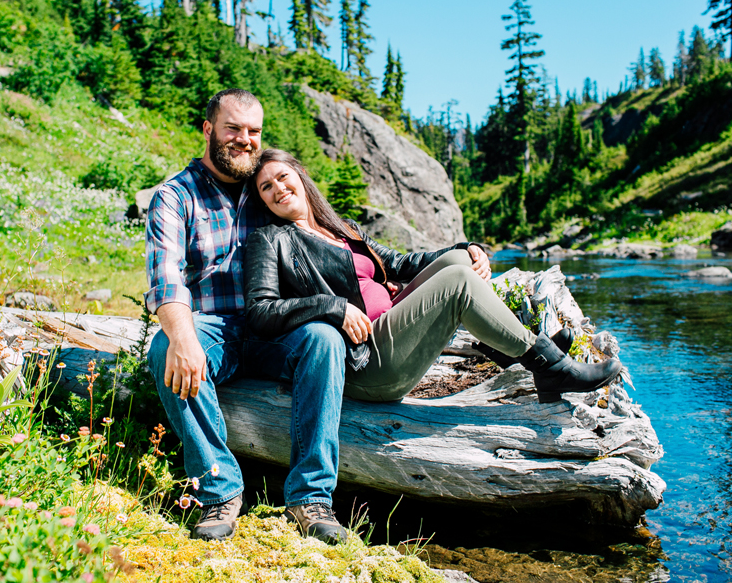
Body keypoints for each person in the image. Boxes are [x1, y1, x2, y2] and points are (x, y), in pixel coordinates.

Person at [244, 149, 622, 404]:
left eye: (282, 177)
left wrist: (469, 247)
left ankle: (515, 354)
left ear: (301, 175)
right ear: (262, 200)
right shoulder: (271, 239)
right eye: (266, 187)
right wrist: (332, 307)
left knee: (459, 260)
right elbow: (260, 311)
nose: (279, 189)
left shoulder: (344, 228)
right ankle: (550, 366)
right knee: (457, 283)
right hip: (367, 362)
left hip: (391, 327)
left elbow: (402, 262)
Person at [144, 89, 349, 545]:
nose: (244, 139)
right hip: (211, 326)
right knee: (165, 347)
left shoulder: (268, 187)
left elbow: (325, 233)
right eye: (233, 128)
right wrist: (182, 336)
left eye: (253, 131)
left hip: (273, 325)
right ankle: (218, 490)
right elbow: (165, 278)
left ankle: (310, 497)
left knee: (324, 340)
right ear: (208, 130)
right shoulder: (175, 197)